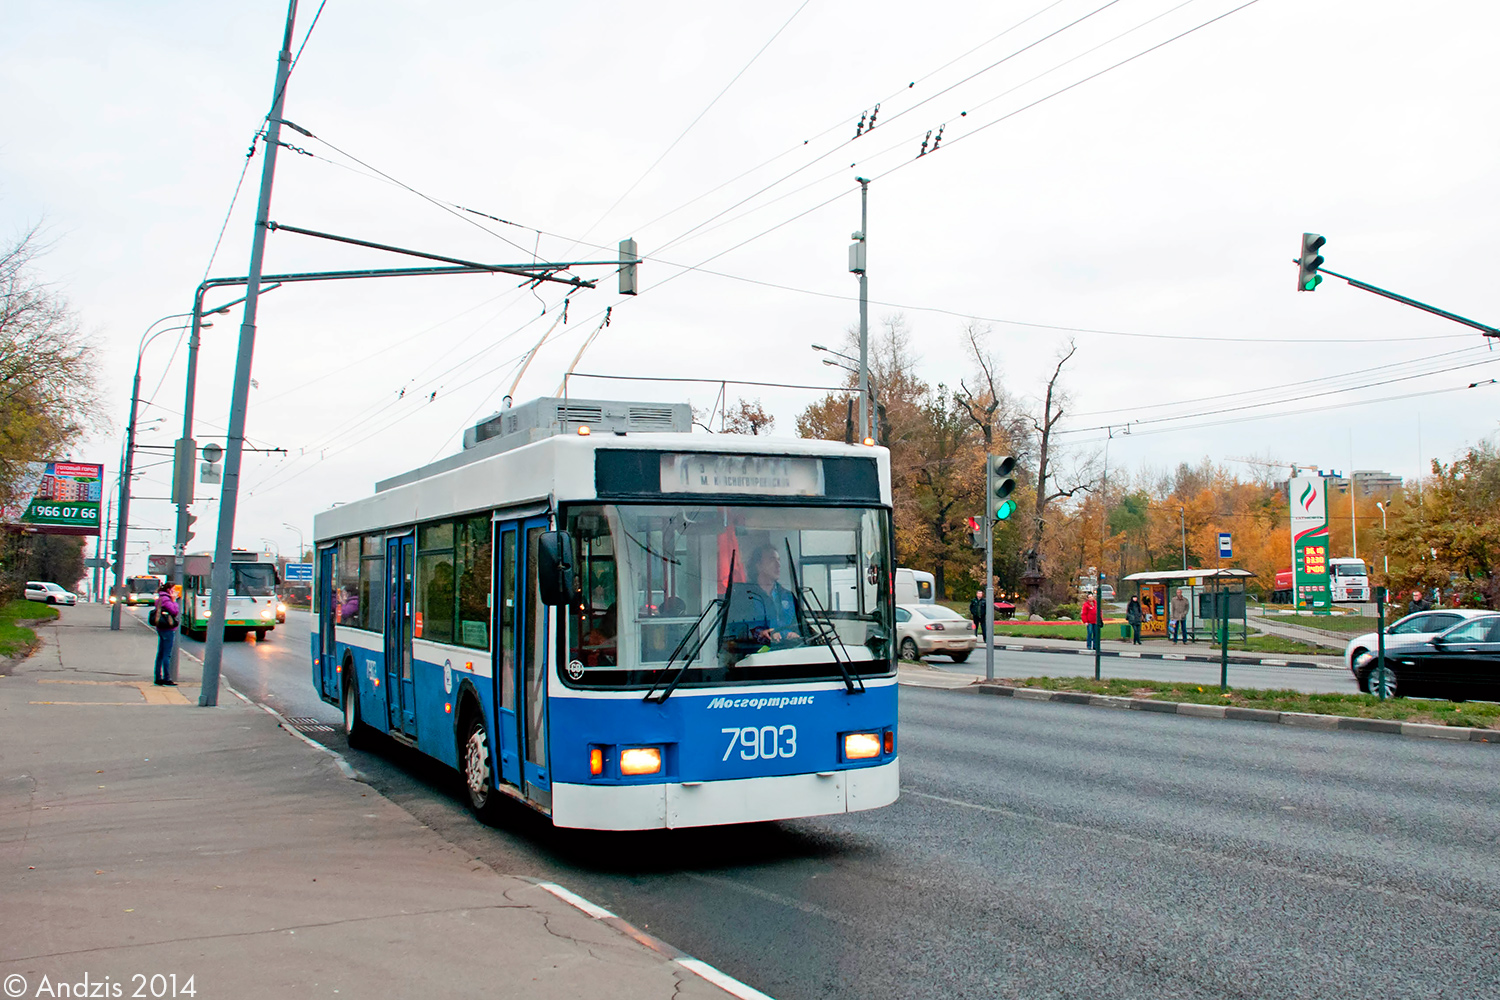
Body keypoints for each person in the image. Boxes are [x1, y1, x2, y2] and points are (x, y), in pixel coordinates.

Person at [726, 545, 801, 653]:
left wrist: (794, 633)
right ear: (758, 566)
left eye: (779, 560)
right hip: (755, 659)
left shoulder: (788, 596)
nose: (778, 565)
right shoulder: (743, 597)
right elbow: (734, 630)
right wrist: (759, 634)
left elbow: (802, 626)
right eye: (772, 559)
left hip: (788, 656)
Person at [150, 581, 180, 686]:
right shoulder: (166, 599)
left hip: (160, 627)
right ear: (169, 590)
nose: (176, 591)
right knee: (166, 655)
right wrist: (174, 600)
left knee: (160, 654)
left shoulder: (159, 598)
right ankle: (167, 678)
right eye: (174, 589)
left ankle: (158, 677)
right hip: (168, 628)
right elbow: (174, 611)